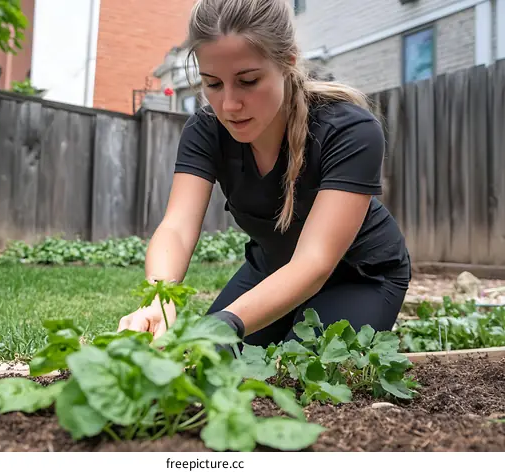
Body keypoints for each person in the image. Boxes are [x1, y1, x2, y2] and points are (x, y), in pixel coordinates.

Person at [117, 0, 411, 348]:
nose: (229, 105)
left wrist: (224, 324)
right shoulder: (206, 130)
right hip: (269, 271)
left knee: (295, 374)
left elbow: (314, 262)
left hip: (361, 276)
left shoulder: (349, 130)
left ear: (287, 62)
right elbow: (177, 228)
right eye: (213, 83)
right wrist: (159, 299)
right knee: (206, 361)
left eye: (248, 81)